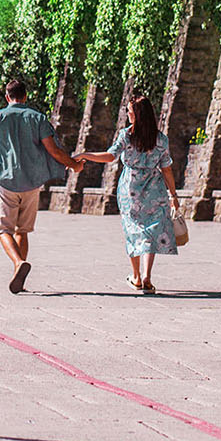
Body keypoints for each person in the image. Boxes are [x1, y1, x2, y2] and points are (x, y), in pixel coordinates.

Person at [0, 78, 81, 294]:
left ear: (7, 97)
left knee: (4, 229)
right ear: (25, 96)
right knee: (23, 230)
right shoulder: (37, 118)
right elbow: (53, 150)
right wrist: (74, 165)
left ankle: (17, 263)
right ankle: (20, 279)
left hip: (6, 182)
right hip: (32, 183)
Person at [80, 93, 178, 294]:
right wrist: (173, 195)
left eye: (130, 111)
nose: (128, 114)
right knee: (152, 230)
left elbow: (110, 156)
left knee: (133, 230)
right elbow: (166, 168)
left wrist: (85, 155)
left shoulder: (127, 135)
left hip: (130, 190)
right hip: (155, 188)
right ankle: (148, 278)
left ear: (138, 115)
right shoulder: (161, 139)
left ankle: (136, 277)